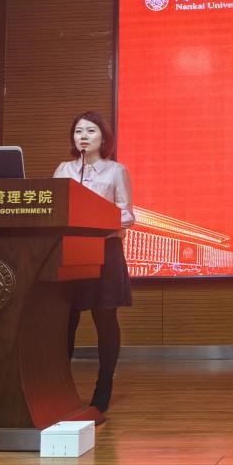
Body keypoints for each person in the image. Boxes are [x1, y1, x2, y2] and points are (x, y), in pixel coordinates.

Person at [53, 111, 134, 412]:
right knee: (66, 318)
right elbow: (53, 206)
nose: (83, 136)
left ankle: (104, 384)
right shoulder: (64, 169)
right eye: (78, 131)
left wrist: (98, 221)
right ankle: (57, 384)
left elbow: (127, 215)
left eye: (90, 131)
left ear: (103, 137)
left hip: (104, 251)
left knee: (104, 317)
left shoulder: (116, 171)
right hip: (69, 251)